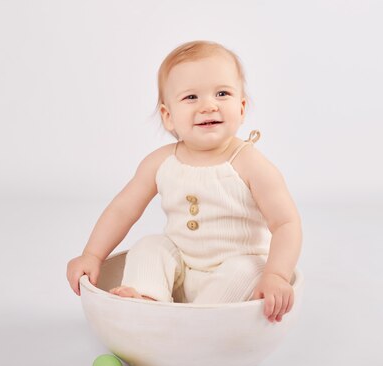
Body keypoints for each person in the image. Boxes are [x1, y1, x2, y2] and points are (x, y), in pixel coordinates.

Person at [67, 40, 302, 322]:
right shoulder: (160, 162)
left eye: (222, 93)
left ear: (241, 108)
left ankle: (196, 321)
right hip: (183, 271)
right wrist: (92, 254)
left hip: (233, 278)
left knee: (247, 268)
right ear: (168, 117)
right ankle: (148, 298)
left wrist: (276, 275)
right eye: (191, 97)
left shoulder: (251, 164)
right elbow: (123, 209)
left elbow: (286, 223)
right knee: (151, 245)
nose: (208, 106)